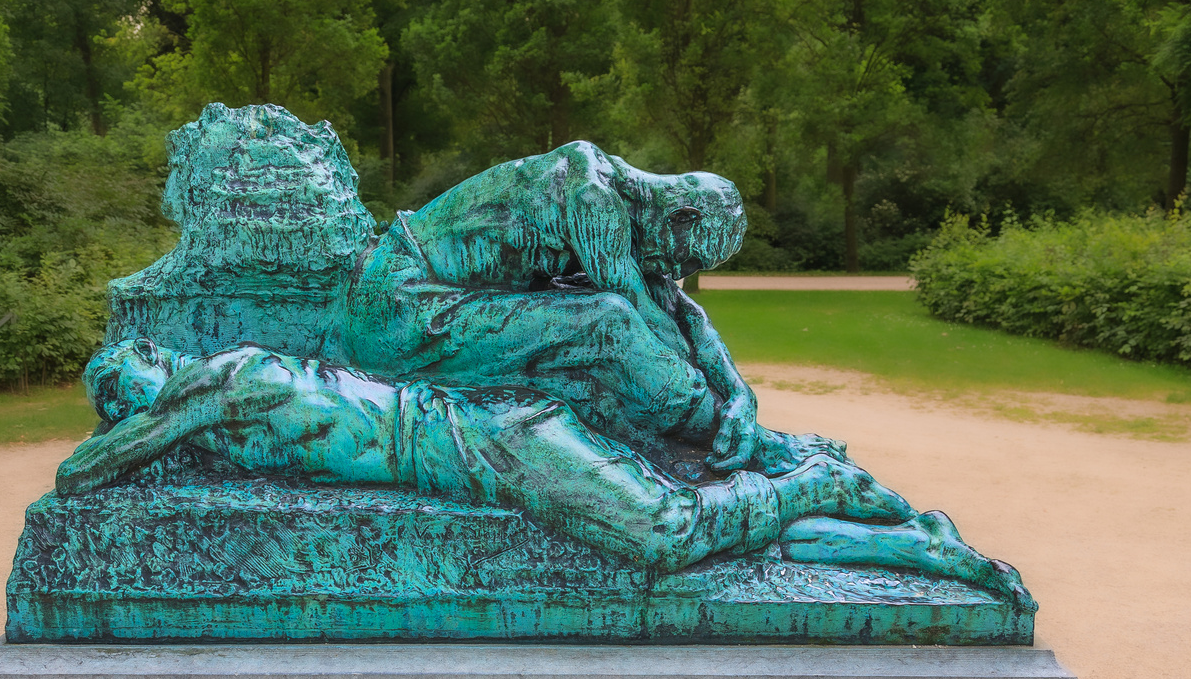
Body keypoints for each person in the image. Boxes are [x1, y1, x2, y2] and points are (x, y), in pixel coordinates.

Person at [57, 338, 1031, 602]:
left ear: (154, 364)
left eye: (126, 383)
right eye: (120, 393)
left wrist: (135, 423)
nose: (129, 403)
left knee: (665, 535)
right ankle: (913, 545)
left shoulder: (219, 379)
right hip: (491, 451)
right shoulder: (224, 412)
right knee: (685, 535)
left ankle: (817, 481)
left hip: (494, 447)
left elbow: (85, 473)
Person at [337, 141, 833, 475]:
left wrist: (740, 395)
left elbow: (682, 314)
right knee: (608, 322)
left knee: (606, 325)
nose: (674, 271)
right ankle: (739, 445)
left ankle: (735, 429)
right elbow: (638, 315)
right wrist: (726, 410)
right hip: (404, 309)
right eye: (686, 258)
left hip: (461, 302)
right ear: (682, 217)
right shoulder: (592, 196)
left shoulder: (640, 220)